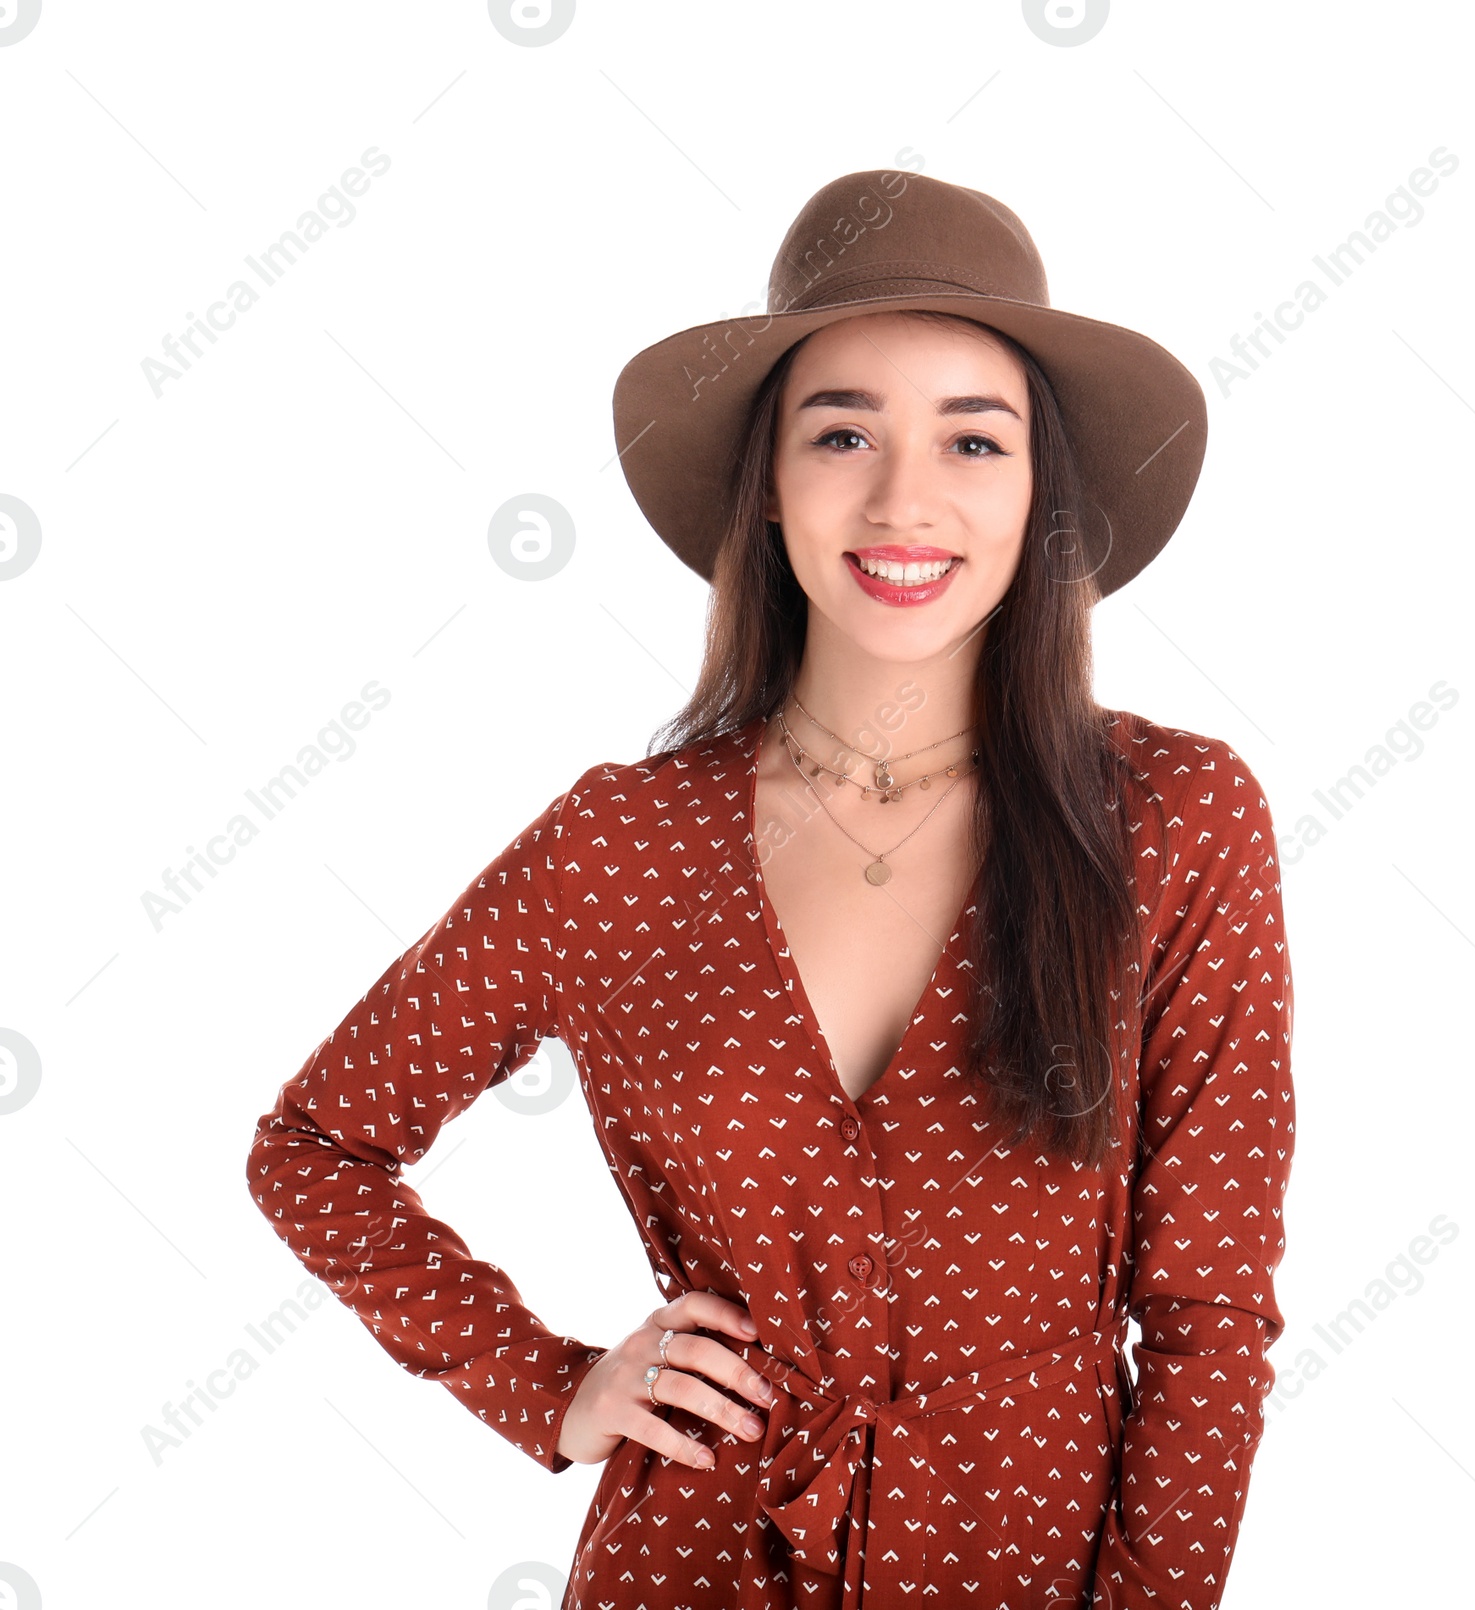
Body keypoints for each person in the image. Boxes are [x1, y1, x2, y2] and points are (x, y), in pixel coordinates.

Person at [246, 169, 1296, 1610]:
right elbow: (315, 1146)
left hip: (1025, 1560)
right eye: (843, 430)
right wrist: (550, 1388)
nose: (904, 498)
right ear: (771, 480)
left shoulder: (1179, 823)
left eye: (973, 440)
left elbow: (1207, 1317)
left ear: (1041, 483)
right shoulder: (618, 845)